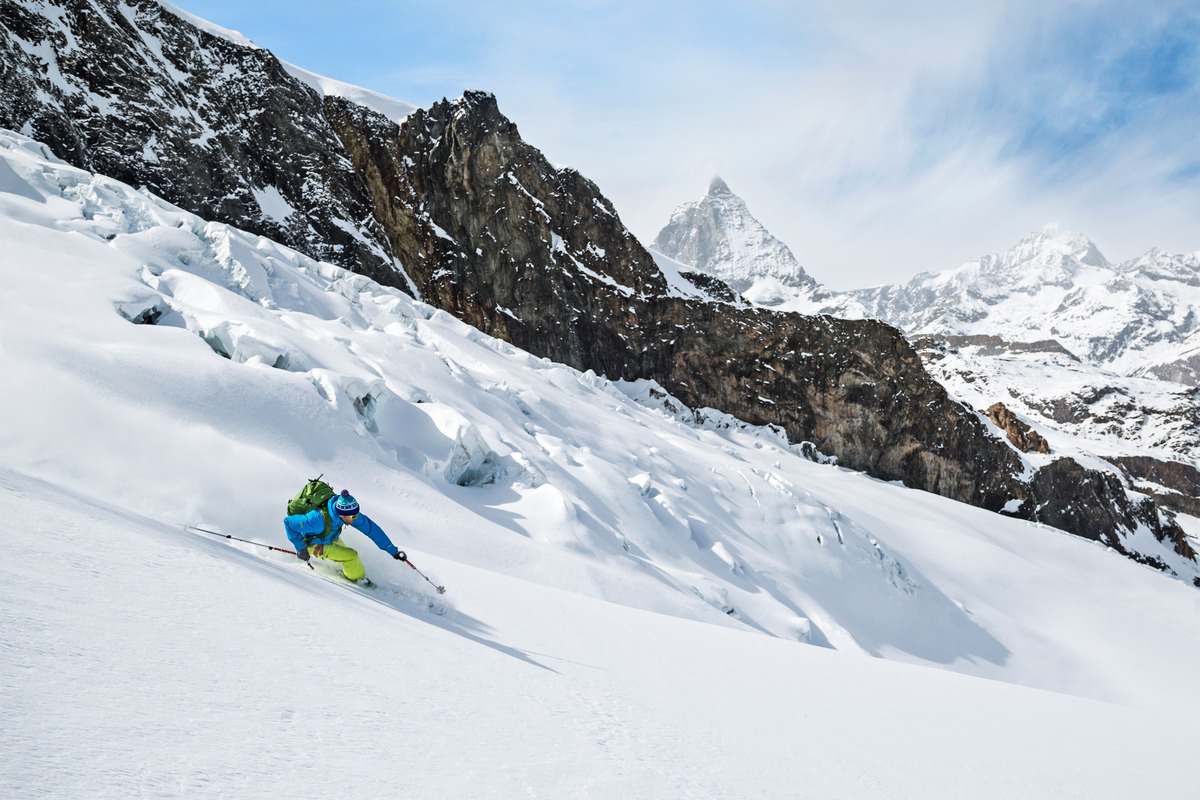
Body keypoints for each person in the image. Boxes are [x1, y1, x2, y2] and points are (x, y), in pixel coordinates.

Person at [283, 489, 406, 584]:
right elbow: (288, 522)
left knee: (344, 553)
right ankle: (359, 580)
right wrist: (301, 548)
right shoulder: (317, 520)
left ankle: (347, 571)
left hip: (328, 538)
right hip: (312, 544)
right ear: (341, 513)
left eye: (355, 515)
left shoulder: (350, 513)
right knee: (352, 556)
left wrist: (392, 550)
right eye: (351, 516)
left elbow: (371, 529)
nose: (354, 519)